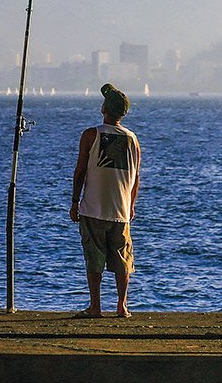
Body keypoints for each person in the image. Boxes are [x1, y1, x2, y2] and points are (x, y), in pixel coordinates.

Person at [70, 82, 141, 318]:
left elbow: (80, 171)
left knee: (94, 259)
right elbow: (135, 176)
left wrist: (74, 202)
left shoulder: (91, 134)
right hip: (121, 210)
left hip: (93, 207)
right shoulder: (133, 139)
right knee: (123, 260)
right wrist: (131, 205)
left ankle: (95, 307)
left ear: (104, 108)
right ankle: (122, 306)